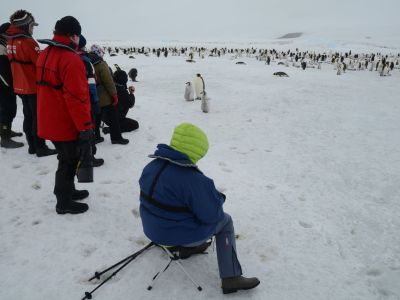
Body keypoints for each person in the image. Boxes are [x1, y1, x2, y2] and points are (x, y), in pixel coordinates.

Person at [138, 123, 260, 294]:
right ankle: (231, 278)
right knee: (226, 221)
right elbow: (212, 216)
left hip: (152, 230)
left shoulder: (151, 167)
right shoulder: (193, 180)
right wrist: (217, 198)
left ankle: (189, 248)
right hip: (174, 234)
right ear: (196, 151)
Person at [36, 16, 93, 214]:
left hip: (48, 119)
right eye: (77, 35)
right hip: (64, 122)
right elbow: (77, 98)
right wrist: (85, 126)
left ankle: (69, 190)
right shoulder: (71, 59)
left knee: (66, 156)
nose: (78, 39)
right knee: (68, 160)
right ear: (72, 35)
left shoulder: (45, 54)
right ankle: (63, 201)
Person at [5, 10, 56, 156]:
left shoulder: (10, 41)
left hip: (19, 86)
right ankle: (40, 147)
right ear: (25, 26)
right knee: (37, 117)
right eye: (32, 26)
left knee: (28, 116)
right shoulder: (28, 42)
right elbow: (40, 64)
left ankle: (32, 146)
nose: (33, 29)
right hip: (33, 86)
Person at [88, 44, 129, 145]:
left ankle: (96, 136)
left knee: (96, 117)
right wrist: (114, 95)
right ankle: (116, 137)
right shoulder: (101, 63)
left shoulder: (87, 62)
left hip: (92, 95)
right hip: (104, 96)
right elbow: (108, 81)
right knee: (113, 116)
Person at [77, 34, 104, 167]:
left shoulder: (69, 57)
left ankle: (80, 155)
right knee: (89, 127)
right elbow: (92, 84)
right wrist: (95, 100)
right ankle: (89, 157)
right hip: (86, 100)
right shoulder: (85, 60)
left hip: (72, 100)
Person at [0, 22, 23, 149]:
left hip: (6, 84)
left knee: (7, 108)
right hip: (4, 84)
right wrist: (9, 85)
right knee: (7, 109)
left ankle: (7, 131)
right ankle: (5, 138)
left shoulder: (4, 44)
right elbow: (2, 71)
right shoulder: (1, 47)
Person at [102, 69, 138, 134]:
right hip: (115, 119)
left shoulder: (108, 87)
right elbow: (131, 104)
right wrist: (131, 93)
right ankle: (112, 129)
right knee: (135, 124)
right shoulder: (122, 91)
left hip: (104, 117)